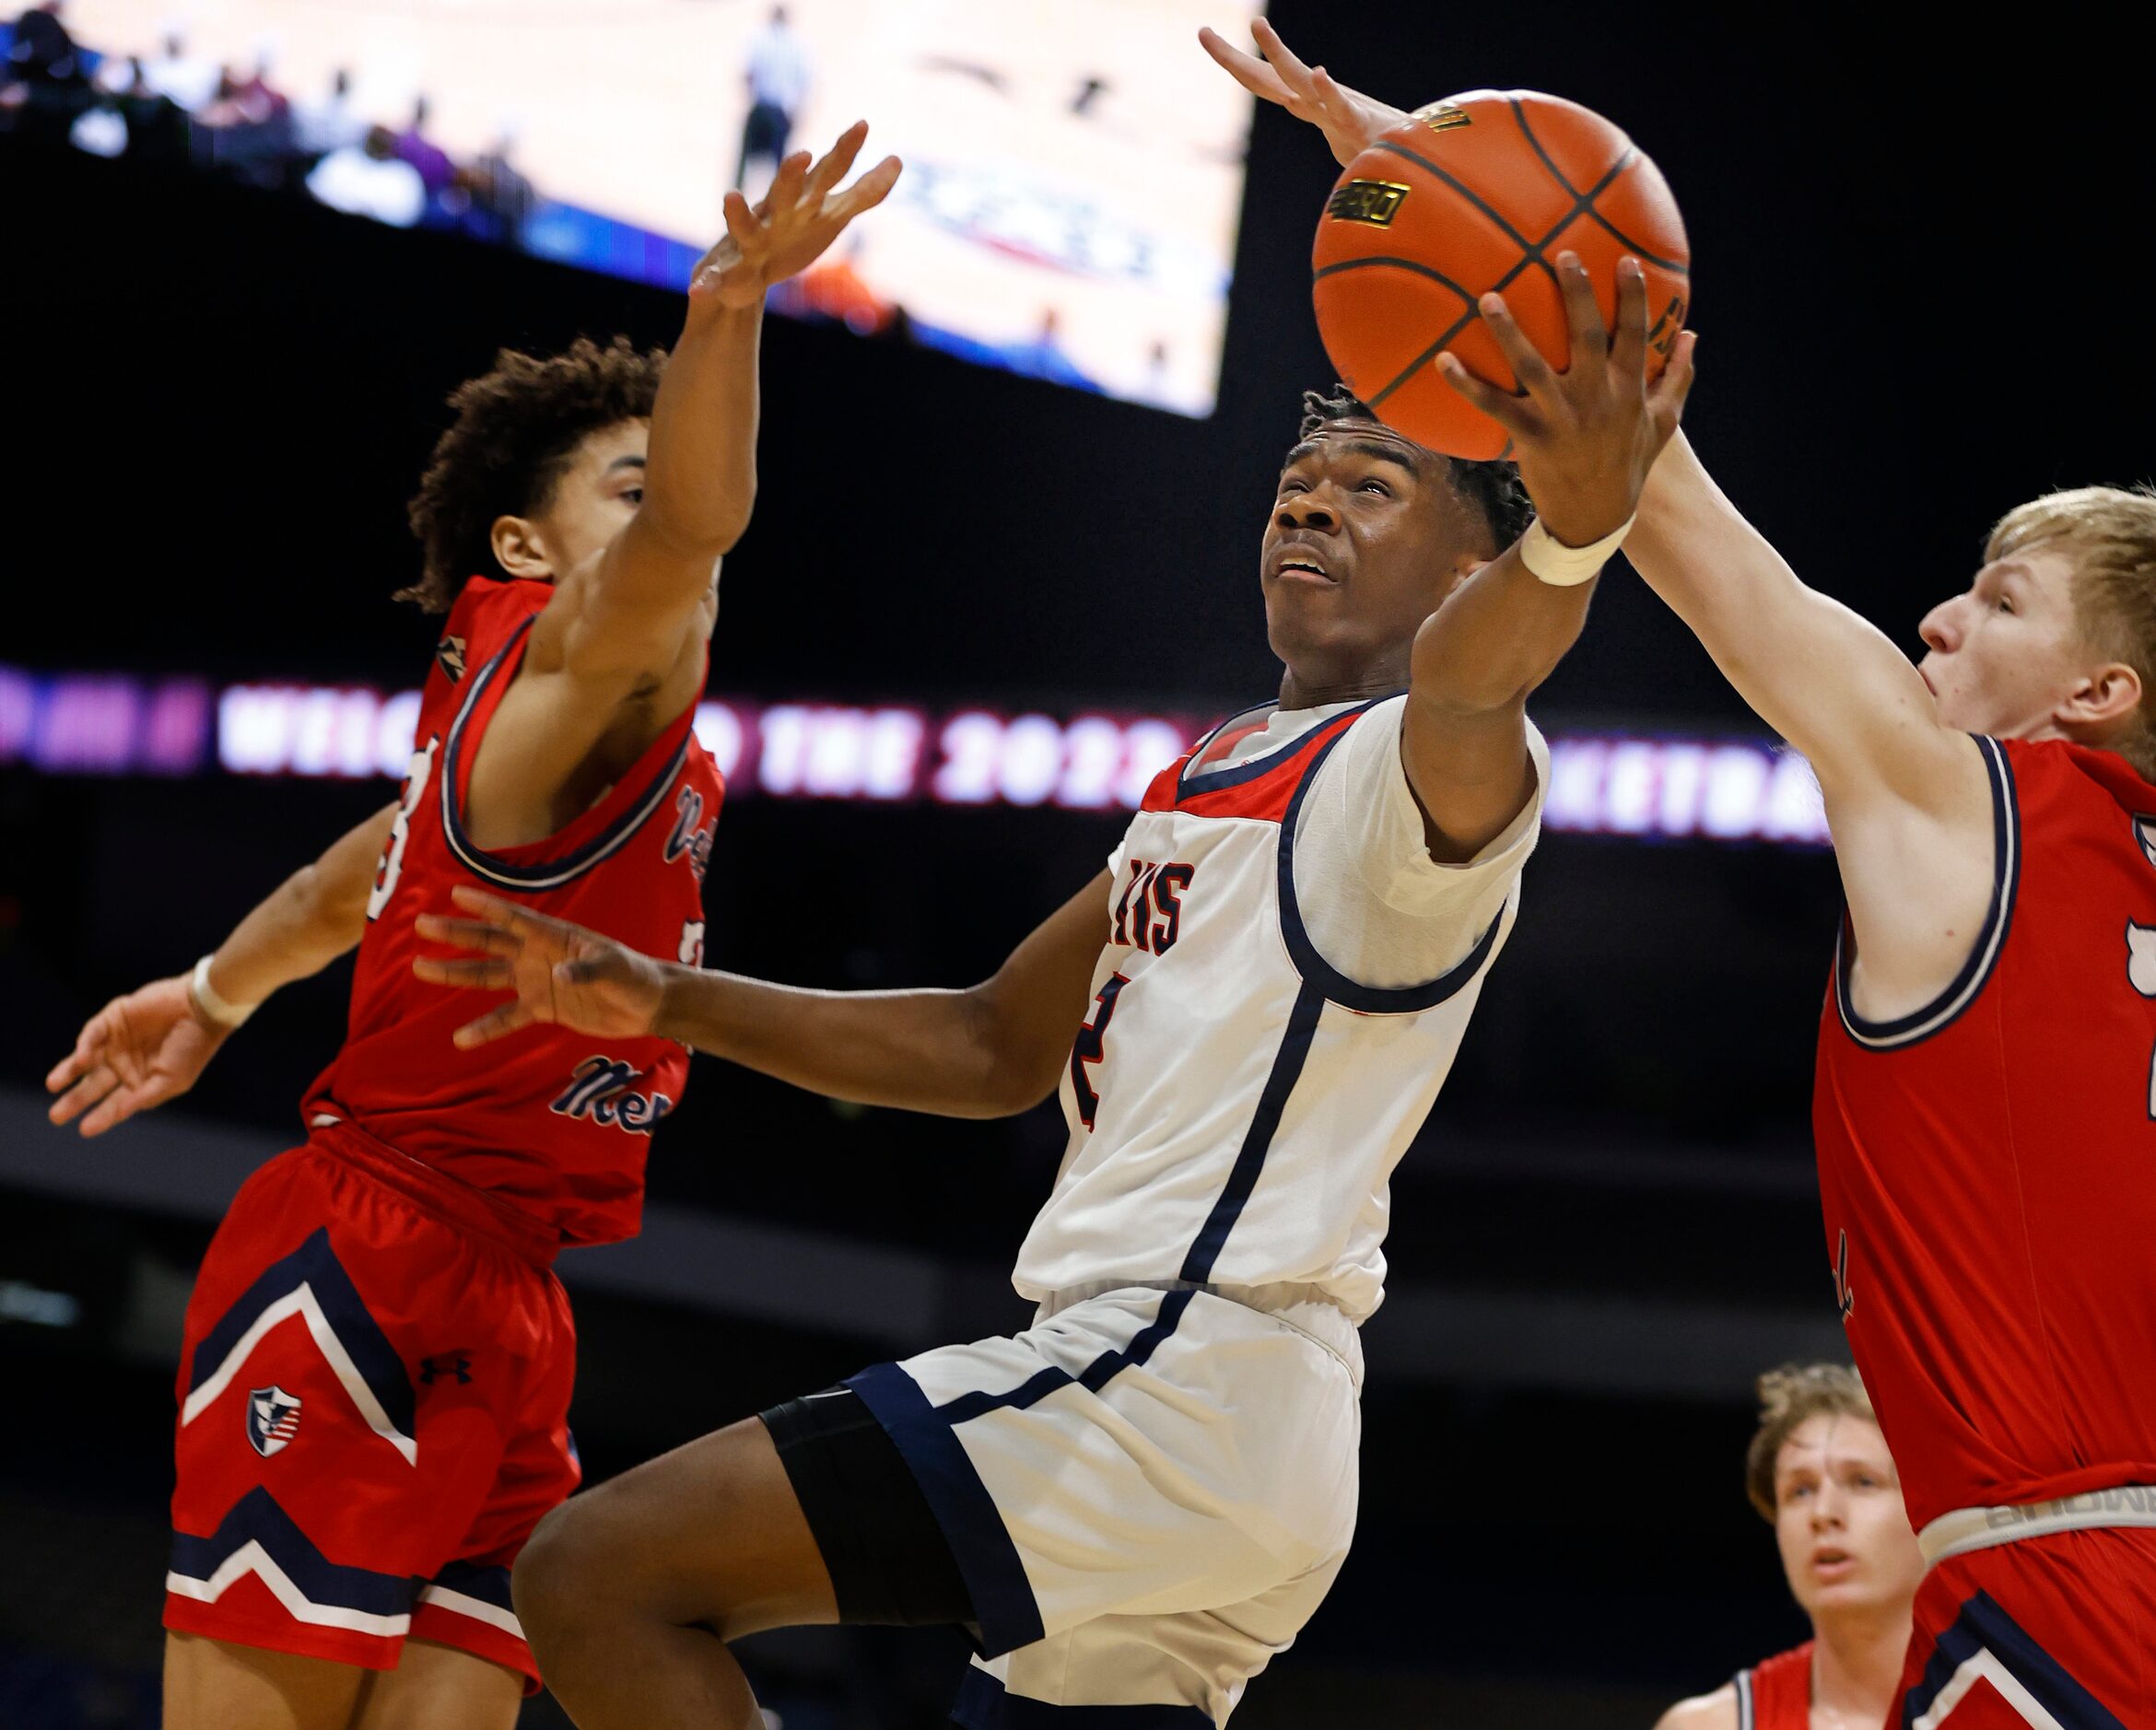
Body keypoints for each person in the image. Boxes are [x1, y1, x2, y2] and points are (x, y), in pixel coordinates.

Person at [413, 221, 1694, 1723]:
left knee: (598, 1571)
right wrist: (669, 996)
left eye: (1370, 486)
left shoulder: (1410, 773)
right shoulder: (1212, 774)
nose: (1311, 504)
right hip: (1215, 1434)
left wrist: (1577, 535)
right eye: (1298, 484)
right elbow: (986, 1043)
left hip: (1174, 1374)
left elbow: (1487, 671)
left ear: (1472, 563)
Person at [1205, 18, 2156, 1722]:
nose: (1942, 616)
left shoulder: (1976, 814)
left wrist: (1453, 205)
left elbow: (1678, 516)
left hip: (2081, 1581)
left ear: (2102, 697)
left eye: (2002, 602)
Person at [43, 128, 899, 1730]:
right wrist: (726, 312)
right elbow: (695, 541)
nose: (670, 515)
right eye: (626, 489)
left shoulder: (525, 752)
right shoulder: (575, 665)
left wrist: (213, 992)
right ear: (526, 547)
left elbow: (339, 876)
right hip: (371, 1247)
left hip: (516, 1296)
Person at [1656, 1365, 1922, 1730]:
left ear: (1930, 1511)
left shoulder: (2015, 1702)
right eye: (1800, 1490)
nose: (1823, 1513)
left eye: (1863, 1481)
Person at [735, 5, 808, 195]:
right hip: (781, 113)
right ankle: (775, 209)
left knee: (743, 165)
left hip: (760, 107)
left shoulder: (760, 39)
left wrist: (750, 97)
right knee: (779, 169)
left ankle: (734, 201)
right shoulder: (798, 46)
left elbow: (747, 73)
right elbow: (803, 85)